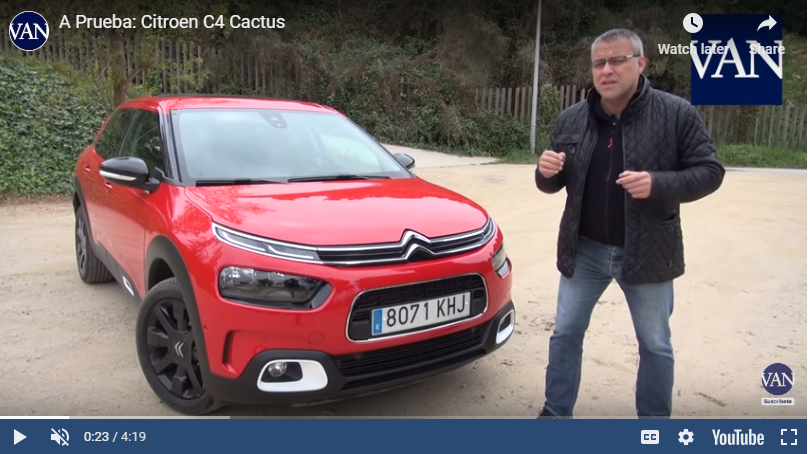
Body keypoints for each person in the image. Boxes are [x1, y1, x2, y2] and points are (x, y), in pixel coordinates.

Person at [534, 28, 725, 419]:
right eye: (598, 63)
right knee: (565, 333)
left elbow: (710, 171)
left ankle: (653, 424)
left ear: (640, 63)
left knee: (655, 344)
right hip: (584, 251)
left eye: (617, 60)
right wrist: (545, 172)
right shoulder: (572, 119)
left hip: (647, 251)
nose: (606, 70)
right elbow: (552, 184)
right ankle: (555, 413)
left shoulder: (676, 114)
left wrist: (658, 183)